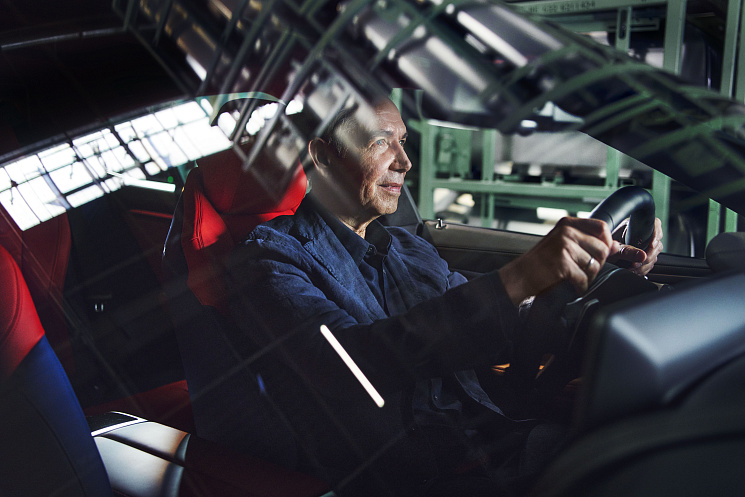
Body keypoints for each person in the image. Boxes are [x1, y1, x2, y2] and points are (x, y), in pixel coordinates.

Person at [226, 96, 663, 496]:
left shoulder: (408, 248)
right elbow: (354, 364)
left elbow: (483, 322)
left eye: (402, 142)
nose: (404, 161)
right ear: (323, 156)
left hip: (489, 441)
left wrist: (592, 274)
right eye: (381, 142)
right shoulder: (269, 258)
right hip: (406, 476)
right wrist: (522, 276)